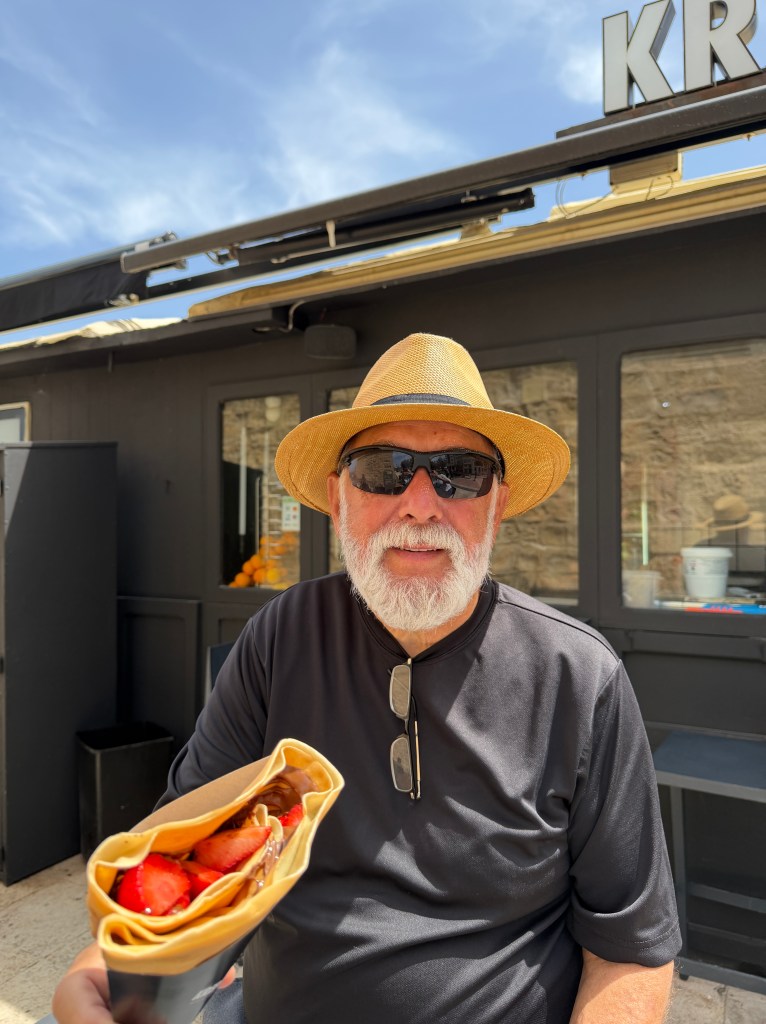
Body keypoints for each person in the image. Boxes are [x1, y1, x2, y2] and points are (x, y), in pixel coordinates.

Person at [52, 332, 680, 1024]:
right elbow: (184, 852)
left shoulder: (578, 675)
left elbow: (631, 949)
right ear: (337, 497)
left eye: (459, 473)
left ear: (497, 504)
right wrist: (102, 968)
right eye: (383, 470)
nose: (420, 504)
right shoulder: (281, 636)